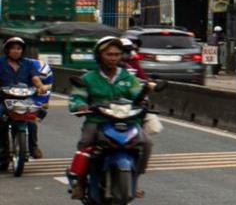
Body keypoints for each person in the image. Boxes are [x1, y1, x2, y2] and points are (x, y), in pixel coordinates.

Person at [68, 36, 152, 190]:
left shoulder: (128, 78)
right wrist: (80, 105)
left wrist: (143, 101)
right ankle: (80, 182)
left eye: (117, 54)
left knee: (146, 143)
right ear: (99, 56)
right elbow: (77, 97)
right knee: (86, 142)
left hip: (128, 120)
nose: (113, 58)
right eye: (109, 54)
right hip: (98, 120)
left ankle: (135, 178)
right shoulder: (88, 78)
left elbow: (138, 94)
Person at [0, 37, 50, 159]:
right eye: (13, 48)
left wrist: (40, 86)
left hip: (24, 99)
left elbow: (35, 78)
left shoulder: (28, 64)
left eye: (19, 48)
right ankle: (2, 148)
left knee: (32, 122)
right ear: (7, 50)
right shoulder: (1, 62)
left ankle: (33, 147)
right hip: (4, 99)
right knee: (1, 120)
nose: (16, 51)